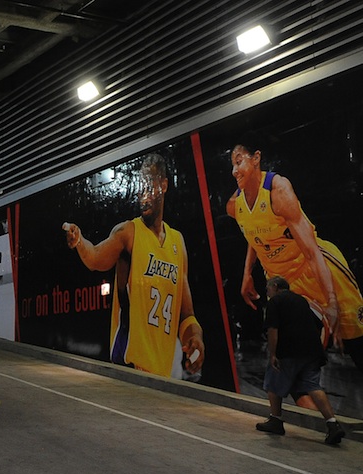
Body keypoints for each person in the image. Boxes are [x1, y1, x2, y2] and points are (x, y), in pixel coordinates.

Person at [63, 153, 204, 378]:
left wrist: (195, 337)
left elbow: (186, 314)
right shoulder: (128, 232)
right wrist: (80, 242)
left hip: (164, 372)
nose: (142, 194)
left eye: (148, 185)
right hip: (129, 367)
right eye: (140, 187)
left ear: (164, 185)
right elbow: (96, 258)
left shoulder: (178, 242)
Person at [227, 141, 363, 369]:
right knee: (289, 367)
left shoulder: (279, 191)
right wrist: (247, 273)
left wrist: (331, 301)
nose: (234, 171)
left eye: (239, 161)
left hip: (316, 267)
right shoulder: (234, 206)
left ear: (256, 158)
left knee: (357, 343)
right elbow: (255, 234)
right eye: (232, 165)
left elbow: (311, 252)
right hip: (283, 285)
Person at [256, 276, 345, 444]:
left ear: (275, 286)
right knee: (313, 386)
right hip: (312, 351)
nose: (267, 293)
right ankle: (333, 424)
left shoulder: (275, 302)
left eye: (268, 289)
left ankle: (275, 420)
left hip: (290, 350)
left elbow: (273, 329)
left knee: (273, 383)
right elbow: (317, 323)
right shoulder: (302, 301)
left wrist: (273, 354)